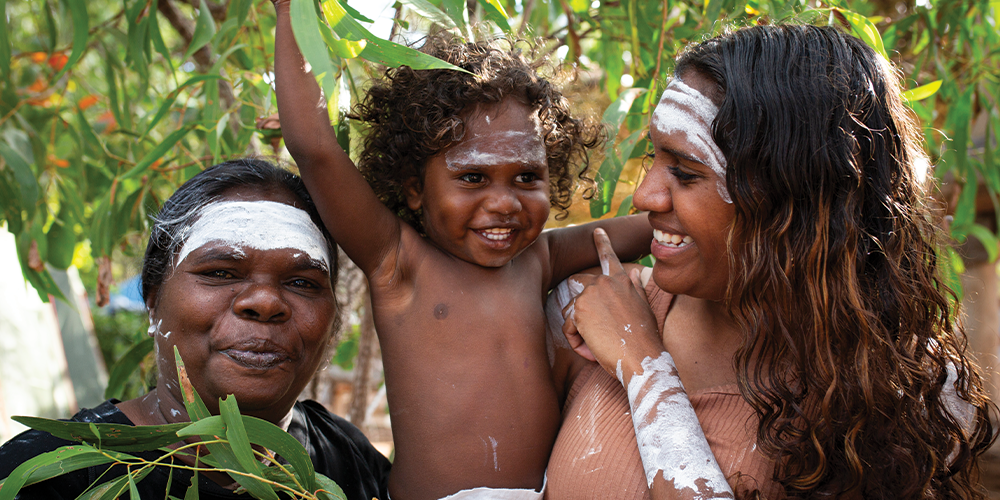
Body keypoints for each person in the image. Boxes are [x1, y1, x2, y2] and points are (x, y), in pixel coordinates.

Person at [545, 24, 996, 499]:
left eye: (685, 172)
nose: (645, 195)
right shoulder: (587, 313)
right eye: (651, 159)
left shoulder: (903, 389)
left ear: (795, 200)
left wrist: (643, 366)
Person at [271, 2, 653, 499]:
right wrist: (289, 12)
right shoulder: (398, 263)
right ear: (414, 189)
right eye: (472, 177)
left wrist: (737, 201)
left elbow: (652, 225)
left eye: (526, 177)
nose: (504, 203)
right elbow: (316, 150)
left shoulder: (537, 259)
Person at [0, 159, 391, 500]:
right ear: (153, 299)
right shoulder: (47, 476)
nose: (265, 302)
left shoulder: (348, 460)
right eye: (220, 273)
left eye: (302, 282)